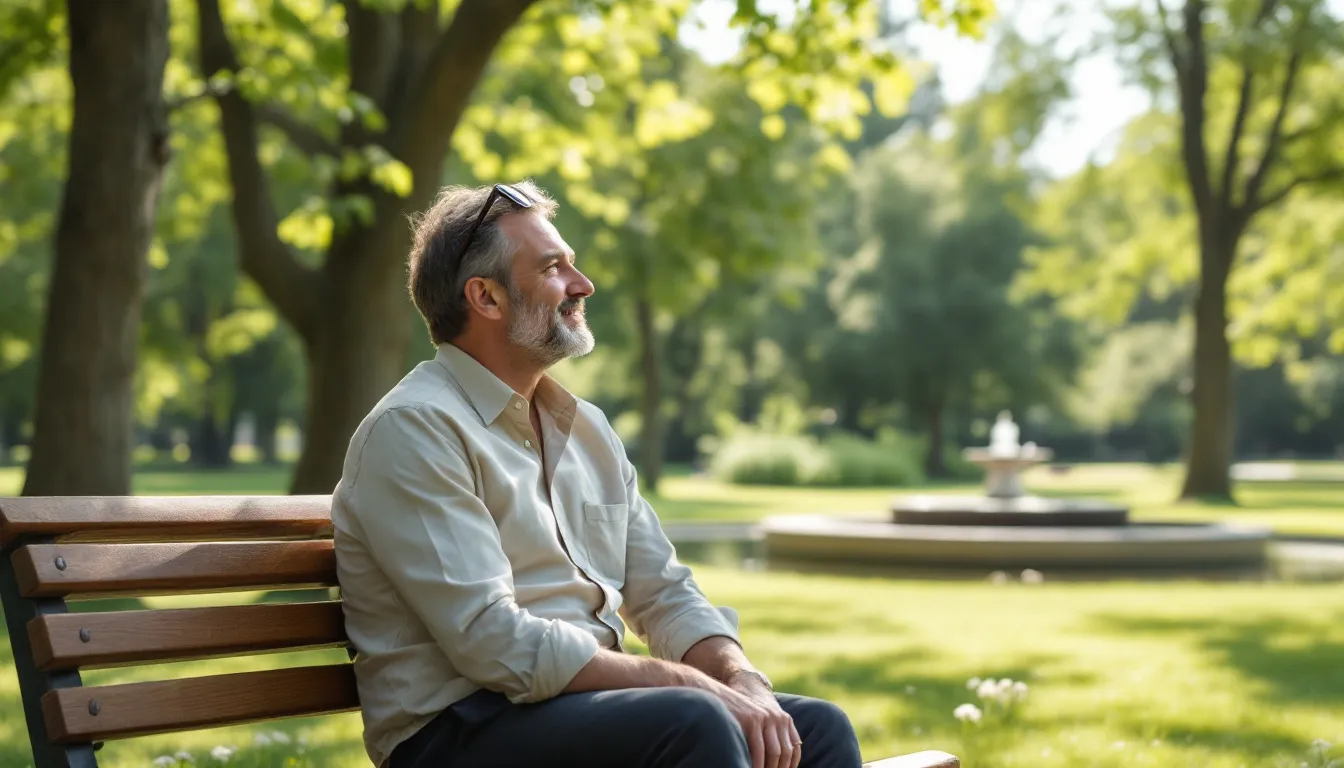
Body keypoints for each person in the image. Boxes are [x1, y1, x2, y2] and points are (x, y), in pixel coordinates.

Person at [331, 181, 863, 768]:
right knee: (695, 719)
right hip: (457, 731)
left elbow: (663, 590)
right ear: (486, 297)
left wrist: (743, 679)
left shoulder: (585, 429)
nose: (583, 285)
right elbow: (491, 640)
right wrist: (689, 685)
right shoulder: (415, 430)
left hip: (583, 710)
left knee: (816, 729)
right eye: (554, 268)